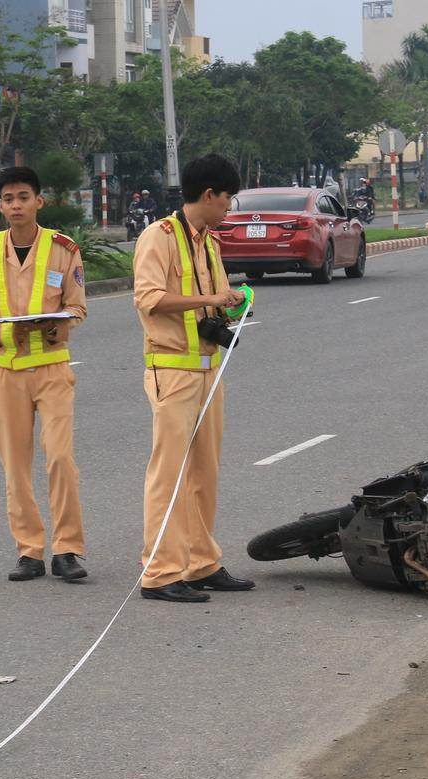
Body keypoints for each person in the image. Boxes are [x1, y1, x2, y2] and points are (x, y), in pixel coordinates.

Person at [0, 166, 90, 584]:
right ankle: (29, 551)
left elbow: (77, 309)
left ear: (39, 202)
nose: (17, 205)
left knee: (60, 458)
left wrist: (51, 326)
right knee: (15, 466)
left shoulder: (64, 250)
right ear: (0, 205)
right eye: (9, 198)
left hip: (50, 368)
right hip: (4, 371)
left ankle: (67, 549)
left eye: (24, 197)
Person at [133, 153, 255, 603]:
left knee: (205, 472)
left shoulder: (210, 242)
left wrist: (233, 304)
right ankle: (161, 572)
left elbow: (216, 300)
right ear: (208, 195)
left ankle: (202, 563)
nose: (230, 208)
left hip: (208, 369)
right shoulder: (158, 237)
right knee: (169, 473)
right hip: (172, 370)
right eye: (227, 199)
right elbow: (148, 298)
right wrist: (209, 296)